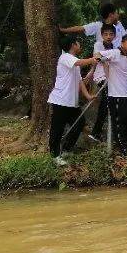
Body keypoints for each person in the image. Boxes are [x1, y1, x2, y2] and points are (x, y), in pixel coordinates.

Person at [47, 36, 98, 165]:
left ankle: (66, 149)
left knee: (79, 123)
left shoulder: (74, 62)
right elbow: (80, 62)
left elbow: (80, 81)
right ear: (73, 44)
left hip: (71, 102)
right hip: (60, 101)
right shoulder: (65, 58)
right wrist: (93, 59)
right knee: (57, 128)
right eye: (78, 43)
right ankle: (54, 156)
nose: (79, 45)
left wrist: (87, 96)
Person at [97, 34, 127, 154]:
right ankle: (122, 147)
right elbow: (98, 55)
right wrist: (102, 60)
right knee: (119, 123)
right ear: (122, 43)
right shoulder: (115, 53)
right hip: (117, 95)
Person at [88, 23, 117, 143]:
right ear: (102, 35)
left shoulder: (115, 47)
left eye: (111, 34)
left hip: (112, 77)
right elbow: (97, 58)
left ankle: (101, 132)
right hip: (102, 77)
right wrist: (91, 71)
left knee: (108, 102)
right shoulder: (98, 44)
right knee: (106, 101)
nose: (108, 36)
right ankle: (96, 131)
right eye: (106, 34)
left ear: (114, 36)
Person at [60, 2, 125, 47]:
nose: (118, 15)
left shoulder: (119, 25)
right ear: (111, 15)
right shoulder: (98, 25)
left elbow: (126, 39)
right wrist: (63, 30)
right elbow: (81, 28)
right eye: (116, 13)